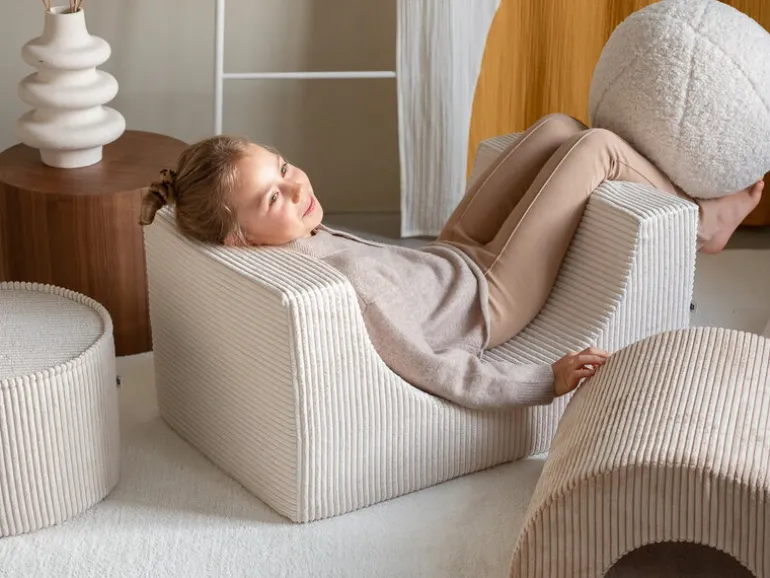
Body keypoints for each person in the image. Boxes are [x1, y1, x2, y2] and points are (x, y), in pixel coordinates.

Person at [139, 113, 763, 410]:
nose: (297, 185)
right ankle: (700, 223)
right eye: (274, 197)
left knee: (557, 128)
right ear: (240, 239)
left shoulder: (290, 238)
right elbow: (438, 370)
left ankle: (691, 213)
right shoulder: (346, 288)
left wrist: (284, 208)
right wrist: (545, 379)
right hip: (489, 291)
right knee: (596, 147)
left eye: (281, 168)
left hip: (449, 256)